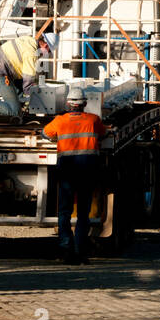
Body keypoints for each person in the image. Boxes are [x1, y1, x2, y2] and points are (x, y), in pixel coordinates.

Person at [43, 86, 105, 263]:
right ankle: (80, 251)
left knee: (64, 212)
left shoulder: (60, 121)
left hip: (67, 172)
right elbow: (105, 133)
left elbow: (45, 134)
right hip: (87, 171)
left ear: (68, 104)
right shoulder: (93, 120)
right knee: (83, 213)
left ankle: (65, 249)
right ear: (84, 104)